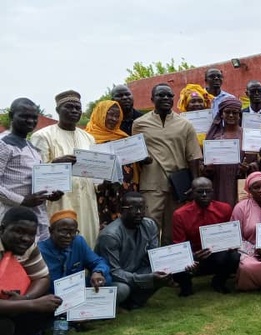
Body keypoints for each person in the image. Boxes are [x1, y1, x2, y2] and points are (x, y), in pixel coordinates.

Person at [133, 83, 203, 245]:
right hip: (152, 182)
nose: (165, 98)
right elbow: (135, 151)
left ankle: (171, 259)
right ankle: (149, 257)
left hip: (177, 184)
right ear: (152, 99)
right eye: (161, 95)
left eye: (169, 95)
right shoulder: (139, 124)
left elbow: (193, 156)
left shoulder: (185, 124)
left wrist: (194, 183)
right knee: (150, 224)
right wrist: (141, 158)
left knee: (173, 227)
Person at [31, 90, 101, 248]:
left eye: (78, 108)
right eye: (69, 107)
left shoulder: (88, 137)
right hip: (59, 200)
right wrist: (56, 163)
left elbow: (95, 173)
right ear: (58, 110)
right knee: (60, 244)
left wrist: (103, 182)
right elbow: (35, 172)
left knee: (88, 240)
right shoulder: (43, 136)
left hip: (86, 200)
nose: (74, 111)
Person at [95, 192, 177, 309]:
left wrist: (184, 260)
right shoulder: (110, 235)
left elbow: (154, 257)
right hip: (116, 279)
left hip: (138, 271)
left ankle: (134, 302)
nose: (139, 212)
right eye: (133, 208)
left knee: (164, 270)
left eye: (142, 208)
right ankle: (120, 303)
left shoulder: (150, 225)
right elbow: (114, 272)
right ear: (121, 210)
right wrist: (146, 279)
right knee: (122, 290)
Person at [0, 207, 62, 335]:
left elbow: (42, 277)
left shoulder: (26, 246)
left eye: (31, 234)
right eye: (19, 231)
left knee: (42, 311)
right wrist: (31, 304)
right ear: (2, 229)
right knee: (4, 325)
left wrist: (25, 298)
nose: (26, 239)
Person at [0, 98, 64, 241]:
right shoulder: (3, 145)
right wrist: (22, 200)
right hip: (13, 220)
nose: (30, 121)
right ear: (11, 116)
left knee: (37, 253)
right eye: (24, 116)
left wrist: (50, 193)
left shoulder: (31, 147)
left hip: (37, 218)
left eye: (34, 117)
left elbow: (35, 182)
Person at [172, 177, 240, 295]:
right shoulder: (180, 214)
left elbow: (230, 235)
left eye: (208, 191)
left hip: (217, 255)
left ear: (213, 191)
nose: (204, 195)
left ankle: (219, 281)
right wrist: (193, 256)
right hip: (194, 256)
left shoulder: (225, 209)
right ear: (192, 192)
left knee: (234, 257)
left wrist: (230, 245)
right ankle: (186, 286)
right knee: (176, 261)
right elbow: (178, 245)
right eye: (200, 192)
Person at [85, 100, 141, 228]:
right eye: (110, 114)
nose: (114, 119)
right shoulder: (87, 138)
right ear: (100, 114)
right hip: (100, 192)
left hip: (123, 192)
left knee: (125, 227)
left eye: (117, 116)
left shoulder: (123, 137)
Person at [38, 210, 111, 293]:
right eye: (63, 231)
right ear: (51, 231)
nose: (68, 236)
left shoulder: (78, 242)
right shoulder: (40, 250)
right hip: (51, 293)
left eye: (73, 232)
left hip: (76, 289)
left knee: (104, 279)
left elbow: (98, 262)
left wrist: (98, 272)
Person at [204, 97, 248, 208]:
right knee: (220, 210)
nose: (231, 115)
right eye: (227, 112)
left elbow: (254, 161)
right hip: (219, 181)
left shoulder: (246, 135)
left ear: (239, 115)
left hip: (239, 180)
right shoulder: (214, 136)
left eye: (235, 112)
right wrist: (208, 168)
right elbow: (204, 164)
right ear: (221, 115)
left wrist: (247, 167)